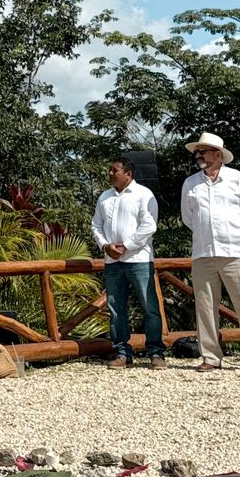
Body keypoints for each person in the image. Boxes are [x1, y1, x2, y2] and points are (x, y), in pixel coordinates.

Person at [180, 132, 240, 373]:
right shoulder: (190, 183)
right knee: (205, 306)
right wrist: (207, 234)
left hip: (236, 251)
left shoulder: (239, 179)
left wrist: (236, 235)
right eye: (197, 152)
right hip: (203, 252)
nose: (198, 156)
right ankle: (210, 356)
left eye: (202, 151)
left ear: (217, 154)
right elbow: (189, 218)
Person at [91, 156, 164, 370]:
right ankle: (122, 353)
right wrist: (105, 246)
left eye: (114, 170)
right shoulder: (105, 197)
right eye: (110, 170)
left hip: (138, 259)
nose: (110, 173)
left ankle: (156, 352)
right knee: (116, 309)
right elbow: (96, 225)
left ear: (128, 174)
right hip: (112, 261)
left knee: (149, 307)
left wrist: (126, 246)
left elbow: (149, 225)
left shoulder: (143, 194)